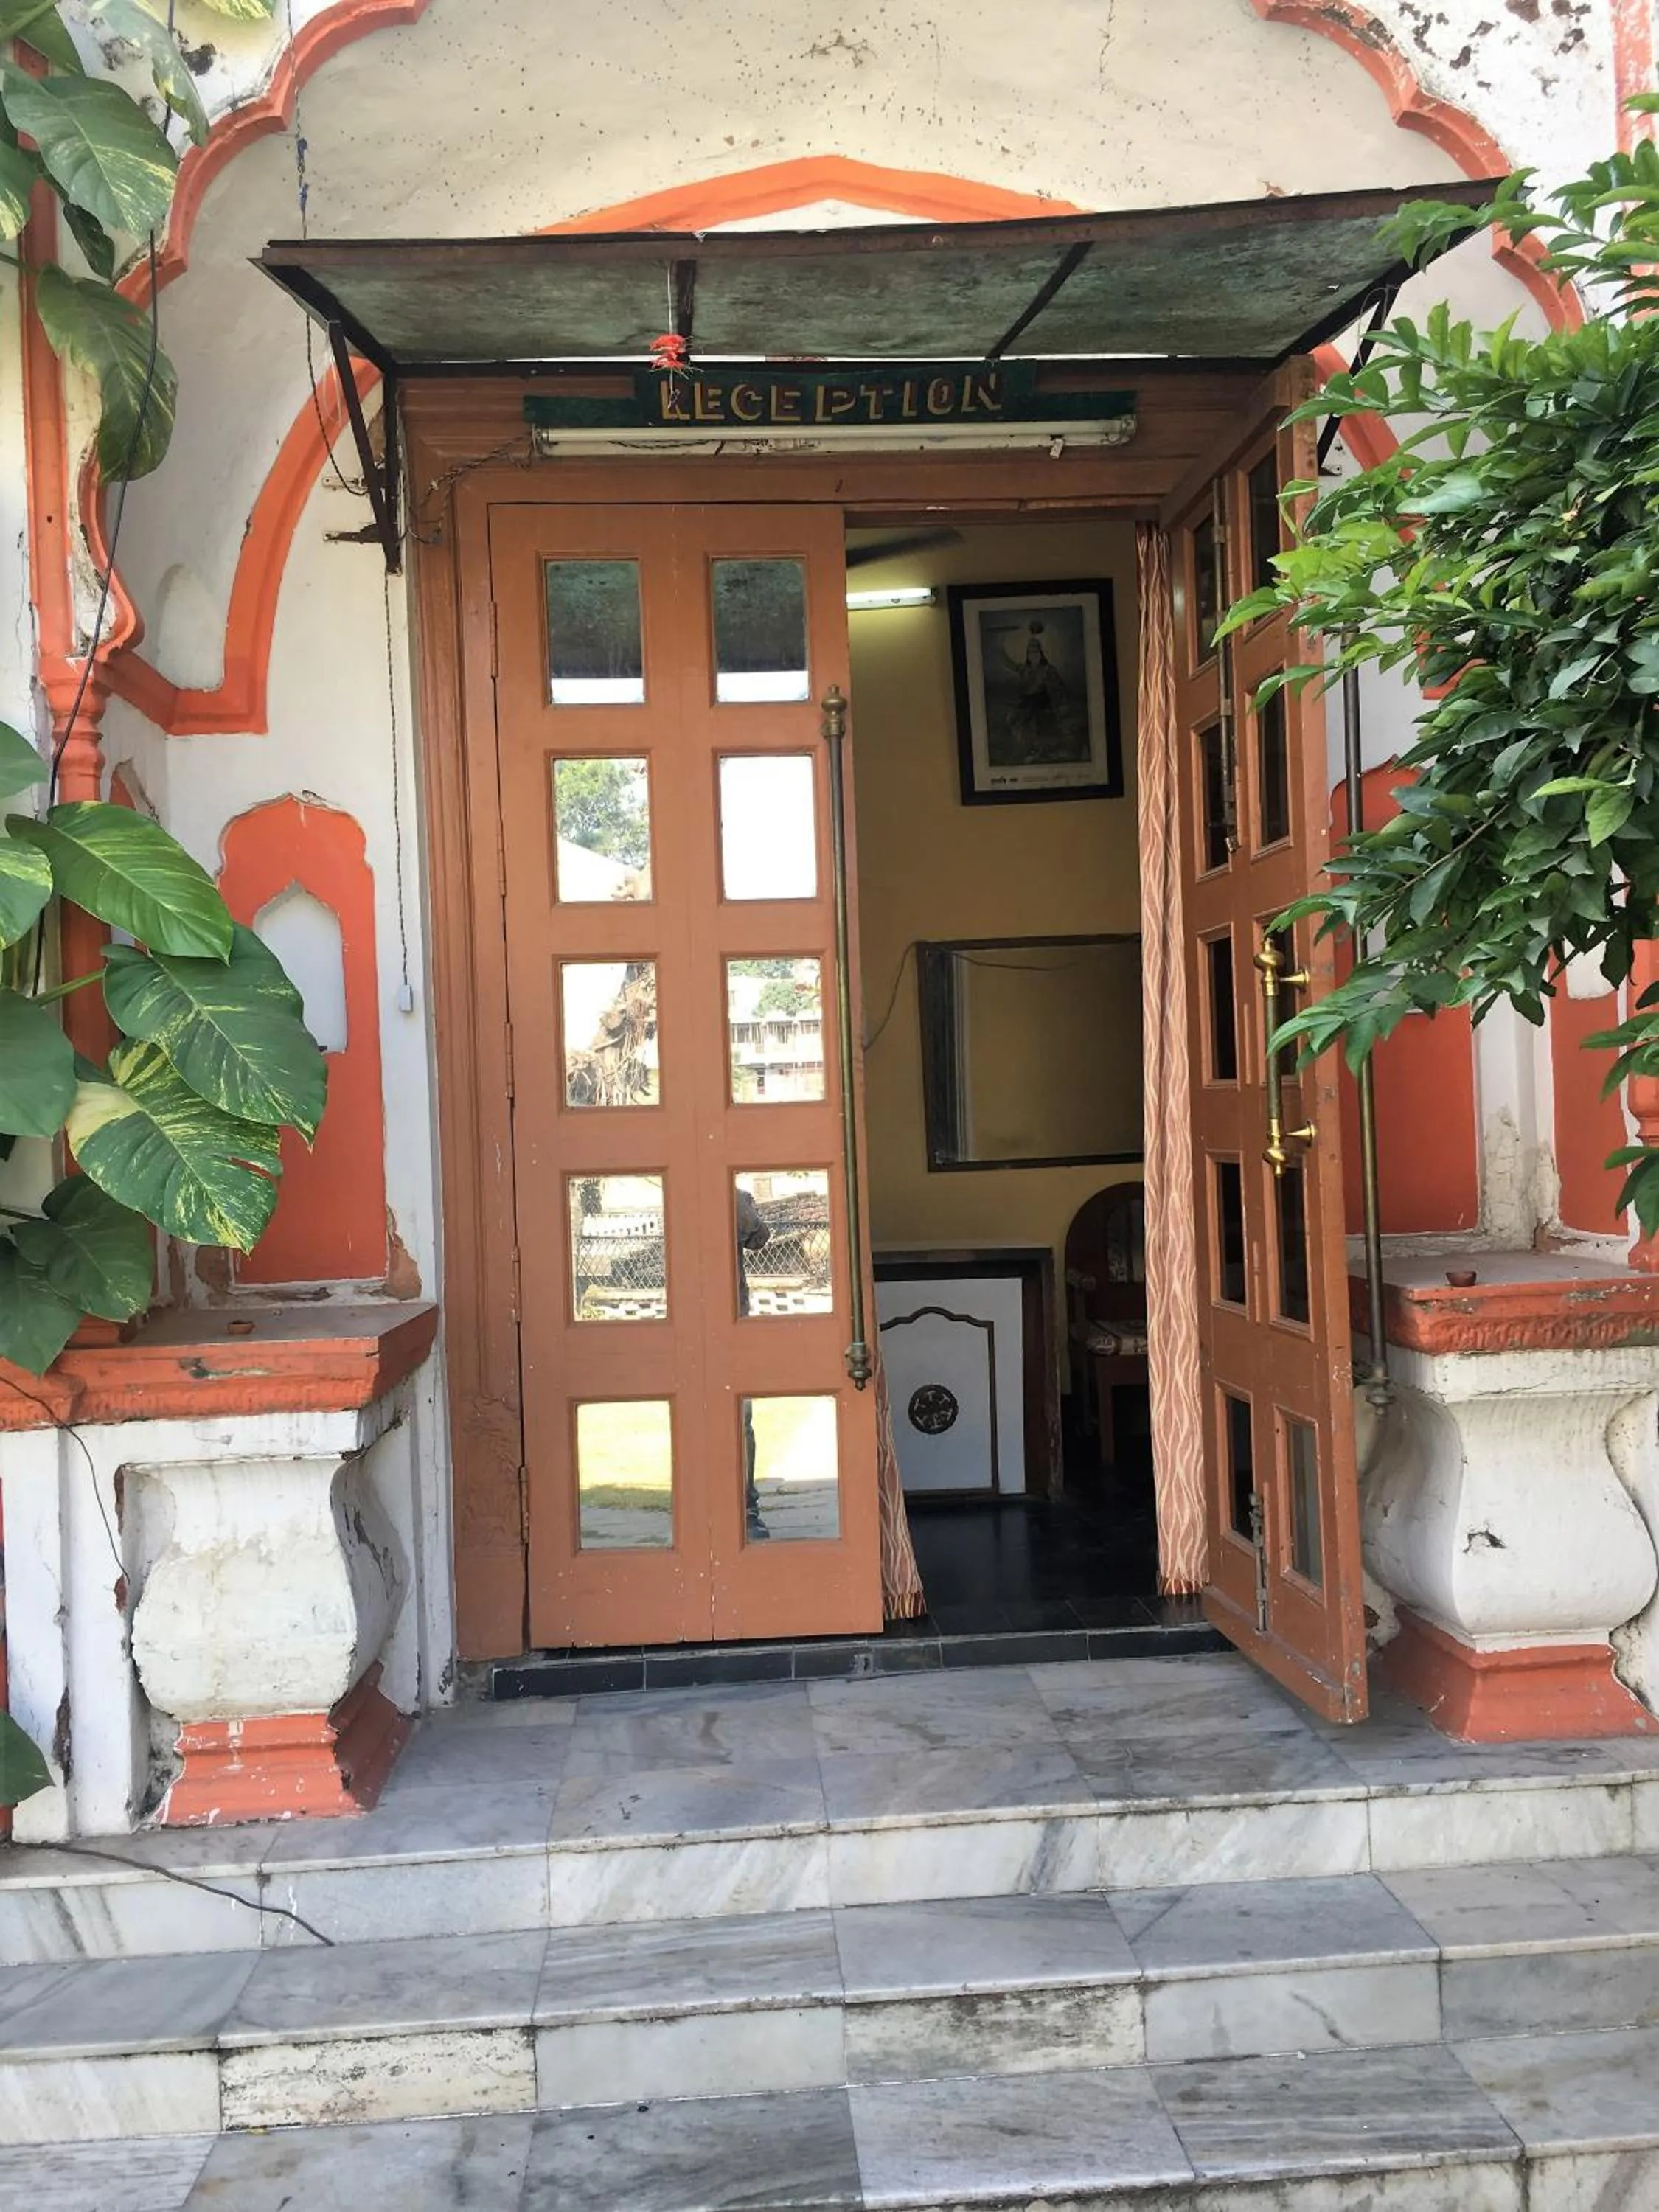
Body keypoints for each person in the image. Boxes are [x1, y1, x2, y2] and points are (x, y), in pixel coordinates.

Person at [735, 1187, 772, 1540]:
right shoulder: (734, 1195)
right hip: (732, 1316)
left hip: (690, 1317)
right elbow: (759, 1238)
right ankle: (747, 1509)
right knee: (741, 1417)